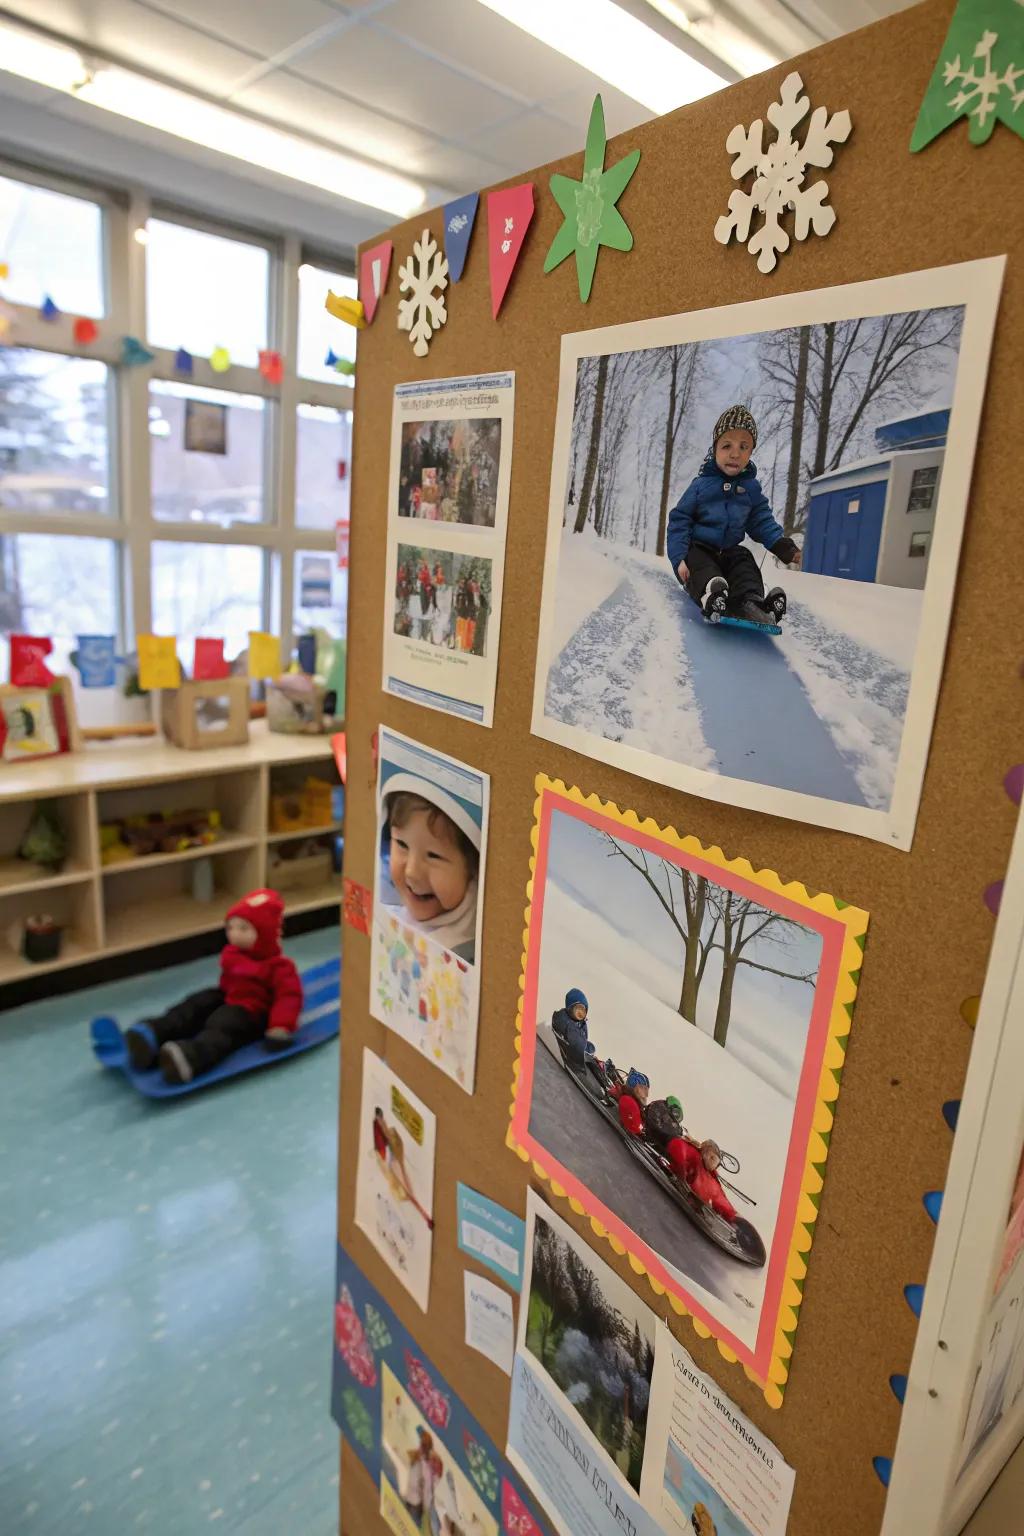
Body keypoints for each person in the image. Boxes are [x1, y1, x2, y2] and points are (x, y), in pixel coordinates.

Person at [124, 889, 303, 1085]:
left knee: (224, 1023)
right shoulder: (234, 953)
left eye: (243, 929)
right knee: (198, 1003)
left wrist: (280, 1026)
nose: (234, 934)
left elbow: (290, 997)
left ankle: (191, 1058)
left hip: (253, 1011)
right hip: (229, 995)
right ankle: (155, 1032)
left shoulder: (279, 967)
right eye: (230, 927)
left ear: (264, 934)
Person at [666, 405, 801, 628]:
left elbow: (761, 520)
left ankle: (754, 602)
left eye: (743, 447)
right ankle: (711, 593)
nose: (735, 453)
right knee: (700, 563)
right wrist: (679, 557)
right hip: (700, 548)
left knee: (744, 560)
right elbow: (680, 520)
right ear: (715, 449)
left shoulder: (750, 489)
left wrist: (782, 545)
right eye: (727, 445)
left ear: (750, 453)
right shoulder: (701, 486)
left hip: (728, 551)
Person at [381, 777, 481, 962]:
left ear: (473, 868)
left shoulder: (470, 950)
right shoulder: (387, 900)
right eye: (402, 844)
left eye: (433, 855)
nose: (411, 871)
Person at [673, 1138, 737, 1223]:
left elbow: (718, 1195)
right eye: (712, 1158)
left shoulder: (712, 1174)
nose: (714, 1165)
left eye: (715, 1161)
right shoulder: (694, 1155)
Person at [551, 987, 591, 1066]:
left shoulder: (580, 1022)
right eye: (577, 1009)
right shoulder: (565, 1020)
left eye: (583, 1010)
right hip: (572, 1057)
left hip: (575, 1050)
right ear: (570, 1008)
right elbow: (577, 1044)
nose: (580, 1013)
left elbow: (583, 1038)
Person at [617, 1068, 650, 1135]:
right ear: (633, 1087)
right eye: (642, 1089)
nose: (645, 1094)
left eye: (646, 1090)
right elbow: (635, 1128)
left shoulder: (637, 1105)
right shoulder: (629, 1101)